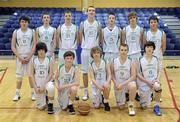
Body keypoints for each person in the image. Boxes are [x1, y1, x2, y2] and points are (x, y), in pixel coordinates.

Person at [11, 15, 36, 101]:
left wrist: (29, 56)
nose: (24, 23)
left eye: (25, 21)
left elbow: (34, 45)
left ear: (28, 23)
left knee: (30, 76)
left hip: (30, 57)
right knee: (19, 76)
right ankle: (17, 94)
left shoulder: (32, 31)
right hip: (20, 57)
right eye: (22, 21)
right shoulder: (16, 32)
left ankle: (33, 94)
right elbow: (13, 46)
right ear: (20, 23)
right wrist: (20, 57)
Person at [79, 6, 102, 101]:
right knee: (84, 72)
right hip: (85, 50)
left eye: (93, 11)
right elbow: (80, 37)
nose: (91, 12)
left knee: (96, 72)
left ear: (95, 13)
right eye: (90, 11)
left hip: (95, 51)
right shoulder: (82, 24)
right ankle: (85, 91)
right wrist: (85, 45)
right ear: (87, 13)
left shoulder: (98, 24)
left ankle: (96, 91)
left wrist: (96, 48)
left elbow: (100, 37)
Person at [111, 44, 137, 116]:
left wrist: (123, 84)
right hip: (118, 85)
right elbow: (112, 75)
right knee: (121, 107)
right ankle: (126, 96)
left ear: (128, 51)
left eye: (125, 50)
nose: (123, 52)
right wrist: (116, 83)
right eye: (122, 50)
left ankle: (131, 105)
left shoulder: (131, 61)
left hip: (127, 84)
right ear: (119, 51)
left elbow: (133, 76)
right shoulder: (114, 61)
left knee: (133, 86)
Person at [137, 41, 162, 116]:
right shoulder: (140, 59)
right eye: (147, 47)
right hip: (144, 82)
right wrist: (147, 81)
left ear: (153, 49)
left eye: (151, 47)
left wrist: (157, 79)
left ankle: (157, 106)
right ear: (144, 48)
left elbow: (159, 70)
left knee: (158, 86)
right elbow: (137, 74)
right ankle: (149, 96)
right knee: (144, 106)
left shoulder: (156, 59)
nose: (149, 49)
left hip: (153, 81)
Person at [30, 42, 55, 114]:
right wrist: (35, 87)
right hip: (38, 83)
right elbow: (31, 74)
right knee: (41, 108)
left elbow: (50, 74)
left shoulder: (49, 59)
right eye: (39, 50)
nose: (41, 52)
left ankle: (50, 103)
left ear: (45, 50)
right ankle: (45, 98)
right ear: (37, 51)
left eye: (43, 50)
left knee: (51, 87)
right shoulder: (33, 60)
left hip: (47, 82)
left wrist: (44, 85)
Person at [88, 46, 111, 111]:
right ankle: (100, 97)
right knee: (96, 106)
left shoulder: (105, 62)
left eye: (98, 53)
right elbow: (92, 78)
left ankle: (106, 102)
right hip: (96, 84)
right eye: (94, 53)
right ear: (92, 54)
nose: (96, 54)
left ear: (100, 54)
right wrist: (98, 86)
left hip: (104, 82)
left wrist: (107, 82)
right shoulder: (91, 64)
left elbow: (109, 75)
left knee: (107, 86)